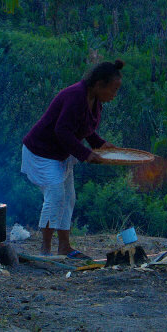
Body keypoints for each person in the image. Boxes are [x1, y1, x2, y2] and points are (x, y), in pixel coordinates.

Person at [20, 59, 124, 259]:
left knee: (68, 198)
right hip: (41, 152)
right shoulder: (76, 96)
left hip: (60, 153)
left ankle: (64, 247)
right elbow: (62, 130)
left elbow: (84, 129)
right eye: (113, 90)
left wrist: (99, 143)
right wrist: (86, 155)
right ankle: (45, 250)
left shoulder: (94, 101)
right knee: (56, 196)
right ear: (99, 85)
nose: (114, 95)